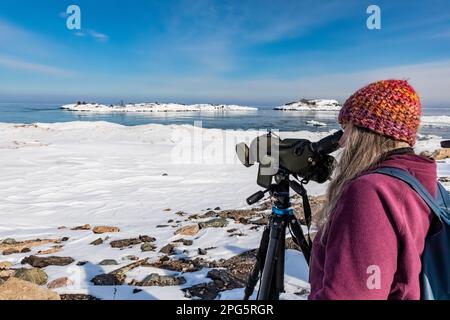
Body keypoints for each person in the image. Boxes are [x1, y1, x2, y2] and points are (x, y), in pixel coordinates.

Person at [308, 79, 437, 300]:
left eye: (346, 129)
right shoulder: (416, 179)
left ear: (366, 133)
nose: (341, 142)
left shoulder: (370, 192)